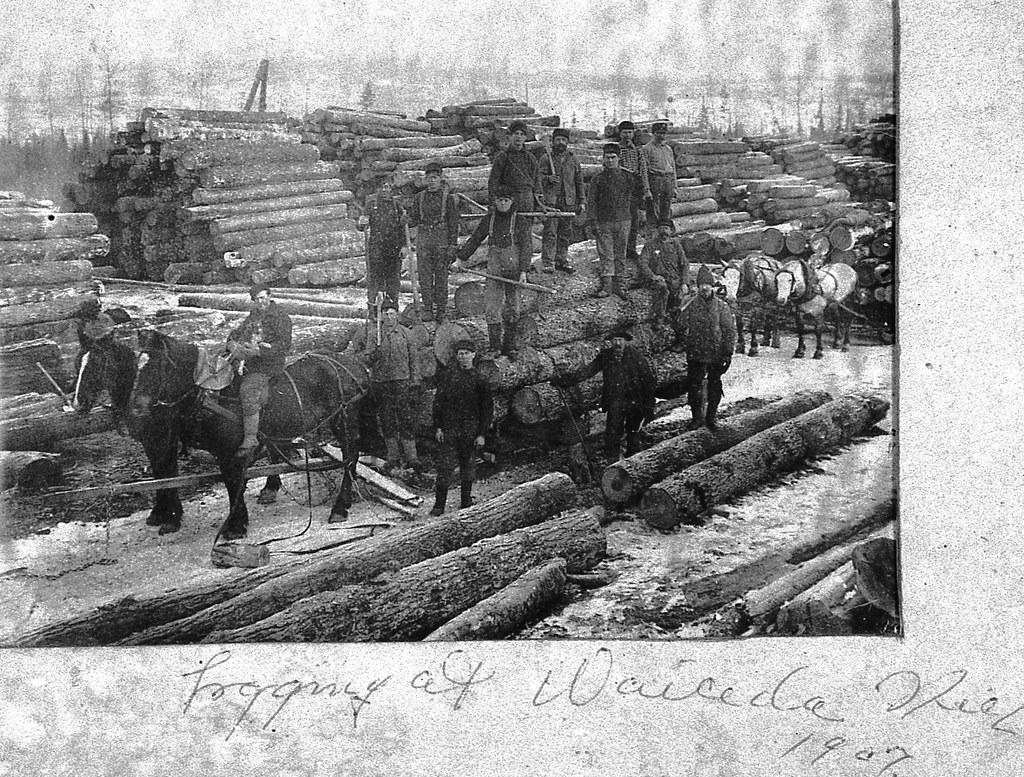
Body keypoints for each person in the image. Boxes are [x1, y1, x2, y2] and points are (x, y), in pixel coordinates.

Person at [555, 328, 655, 460]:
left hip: (634, 400)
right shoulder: (606, 356)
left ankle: (634, 461)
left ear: (626, 341)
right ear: (611, 342)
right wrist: (566, 381)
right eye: (615, 340)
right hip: (615, 400)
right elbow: (588, 371)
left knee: (634, 432)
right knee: (613, 433)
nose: (617, 343)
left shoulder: (636, 356)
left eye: (620, 340)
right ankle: (612, 462)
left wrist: (649, 405)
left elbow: (647, 381)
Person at [454, 185, 525, 359]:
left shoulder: (519, 220)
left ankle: (510, 347)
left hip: (514, 272)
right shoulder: (490, 219)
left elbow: (527, 247)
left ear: (511, 201)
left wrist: (523, 270)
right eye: (499, 200)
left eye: (506, 201)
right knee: (492, 309)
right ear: (495, 201)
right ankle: (495, 347)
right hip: (494, 271)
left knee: (513, 309)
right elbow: (476, 238)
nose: (502, 204)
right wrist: (461, 258)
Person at [226, 284, 293, 458]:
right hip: (249, 361)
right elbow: (239, 332)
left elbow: (284, 346)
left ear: (269, 296)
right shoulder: (254, 315)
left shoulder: (281, 317)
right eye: (256, 299)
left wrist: (258, 351)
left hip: (269, 365)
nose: (260, 302)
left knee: (248, 391)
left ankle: (251, 439)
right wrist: (233, 342)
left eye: (263, 297)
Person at [430, 339, 494, 516]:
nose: (463, 357)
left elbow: (487, 410)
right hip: (450, 429)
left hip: (470, 430)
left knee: (468, 466)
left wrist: (482, 434)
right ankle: (439, 505)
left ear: (473, 355)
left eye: (467, 353)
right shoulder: (448, 377)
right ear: (456, 357)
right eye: (460, 354)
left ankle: (465, 501)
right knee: (445, 467)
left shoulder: (480, 380)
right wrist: (438, 427)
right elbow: (438, 404)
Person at [363, 299, 422, 471]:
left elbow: (414, 359)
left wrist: (415, 380)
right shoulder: (375, 335)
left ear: (397, 315)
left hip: (402, 381)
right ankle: (393, 456)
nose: (389, 317)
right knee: (387, 419)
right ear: (381, 316)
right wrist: (374, 354)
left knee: (406, 419)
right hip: (381, 383)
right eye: (386, 314)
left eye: (392, 313)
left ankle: (412, 457)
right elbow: (367, 360)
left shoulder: (406, 334)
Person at [679, 265, 737, 432]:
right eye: (701, 284)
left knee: (714, 385)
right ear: (697, 287)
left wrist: (727, 353)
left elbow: (729, 331)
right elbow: (680, 325)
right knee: (694, 386)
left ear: (713, 286)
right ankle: (696, 418)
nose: (704, 287)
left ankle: (711, 417)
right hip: (696, 352)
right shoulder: (691, 305)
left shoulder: (721, 306)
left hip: (716, 352)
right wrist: (681, 307)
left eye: (707, 284)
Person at [488, 120, 545, 280]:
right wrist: (493, 204)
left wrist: (539, 203)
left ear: (525, 137)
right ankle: (507, 267)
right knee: (508, 234)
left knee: (526, 235)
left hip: (527, 200)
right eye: (515, 134)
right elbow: (493, 182)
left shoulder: (531, 158)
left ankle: (524, 269)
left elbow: (537, 183)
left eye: (521, 134)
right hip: (508, 201)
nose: (518, 138)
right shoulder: (502, 157)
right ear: (510, 136)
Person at [408, 161, 460, 322]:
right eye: (429, 178)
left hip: (441, 239)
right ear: (425, 179)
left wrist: (452, 245)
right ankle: (428, 308)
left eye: (435, 178)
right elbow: (413, 219)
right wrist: (406, 219)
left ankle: (442, 311)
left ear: (440, 179)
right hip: (424, 239)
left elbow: (453, 223)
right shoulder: (419, 198)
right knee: (424, 276)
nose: (431, 181)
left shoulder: (448, 199)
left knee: (441, 276)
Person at [586, 143, 637, 299]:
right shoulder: (598, 179)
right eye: (607, 158)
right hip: (604, 221)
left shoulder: (628, 177)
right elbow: (592, 201)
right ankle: (607, 286)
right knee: (606, 253)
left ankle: (619, 285)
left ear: (618, 158)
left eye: (613, 157)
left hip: (624, 220)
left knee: (620, 253)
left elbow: (634, 199)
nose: (609, 161)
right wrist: (593, 222)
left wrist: (634, 218)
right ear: (602, 159)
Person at [356, 178, 407, 320]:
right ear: (378, 189)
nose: (385, 190)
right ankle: (373, 311)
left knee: (393, 281)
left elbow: (403, 227)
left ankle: (392, 311)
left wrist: (403, 246)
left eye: (387, 187)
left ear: (391, 189)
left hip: (393, 248)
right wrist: (361, 223)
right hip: (376, 248)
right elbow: (362, 225)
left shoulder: (397, 206)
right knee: (375, 281)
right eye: (382, 187)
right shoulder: (371, 205)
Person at [536, 127, 585, 273]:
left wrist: (582, 201)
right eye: (558, 139)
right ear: (553, 141)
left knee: (565, 233)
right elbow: (538, 178)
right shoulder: (546, 158)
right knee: (550, 232)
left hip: (569, 201)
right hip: (552, 200)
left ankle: (561, 259)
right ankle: (548, 261)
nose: (560, 142)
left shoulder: (573, 159)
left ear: (567, 142)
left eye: (563, 140)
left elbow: (579, 182)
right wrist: (548, 178)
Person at [638, 218, 690, 330]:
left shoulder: (676, 245)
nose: (663, 231)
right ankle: (659, 318)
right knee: (662, 289)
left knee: (682, 297)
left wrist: (685, 283)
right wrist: (653, 276)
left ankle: (677, 322)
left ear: (671, 231)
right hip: (658, 280)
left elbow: (684, 264)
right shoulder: (650, 245)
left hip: (674, 279)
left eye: (666, 228)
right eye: (661, 228)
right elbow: (643, 262)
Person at [614, 120, 653, 262]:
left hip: (634, 189)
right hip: (619, 189)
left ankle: (630, 248)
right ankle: (620, 249)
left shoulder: (638, 150)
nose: (627, 135)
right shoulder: (616, 150)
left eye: (630, 132)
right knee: (620, 219)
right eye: (624, 132)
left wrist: (646, 189)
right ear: (620, 133)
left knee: (634, 220)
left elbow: (643, 170)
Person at [643, 121, 677, 223]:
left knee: (666, 208)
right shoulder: (647, 149)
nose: (662, 135)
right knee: (654, 209)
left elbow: (673, 168)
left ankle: (664, 232)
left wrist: (675, 186)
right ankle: (654, 232)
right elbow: (644, 170)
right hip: (655, 180)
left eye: (664, 133)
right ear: (653, 133)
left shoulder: (668, 149)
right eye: (659, 133)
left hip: (668, 181)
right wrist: (646, 189)